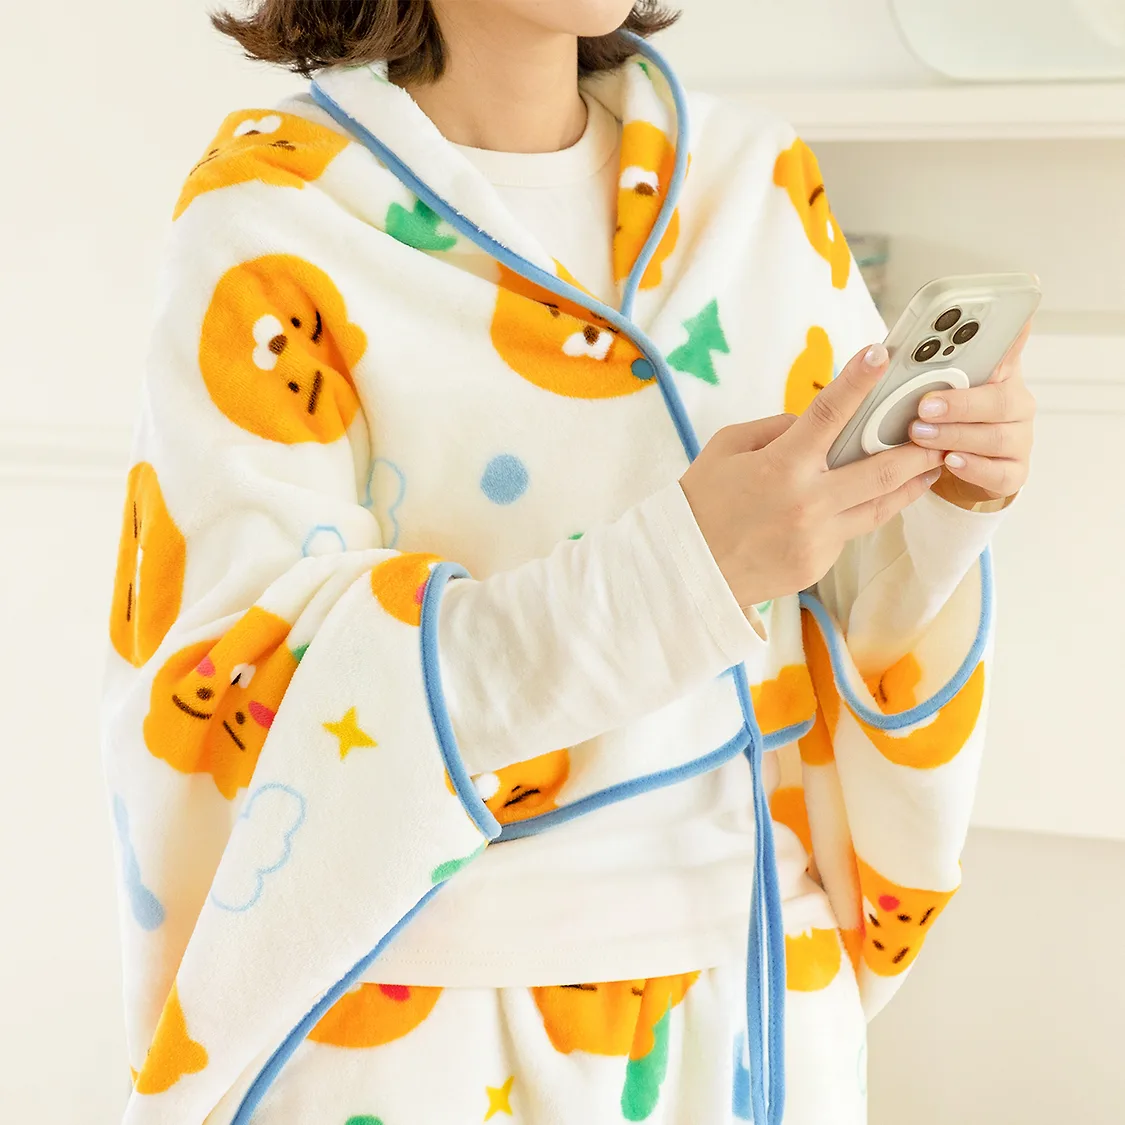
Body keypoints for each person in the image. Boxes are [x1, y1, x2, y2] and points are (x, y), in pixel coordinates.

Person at [101, 2, 1036, 1123]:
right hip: (418, 1033)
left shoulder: (755, 183)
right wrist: (681, 571)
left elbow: (840, 608)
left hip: (760, 1008)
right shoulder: (273, 216)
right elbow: (248, 691)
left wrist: (942, 497)